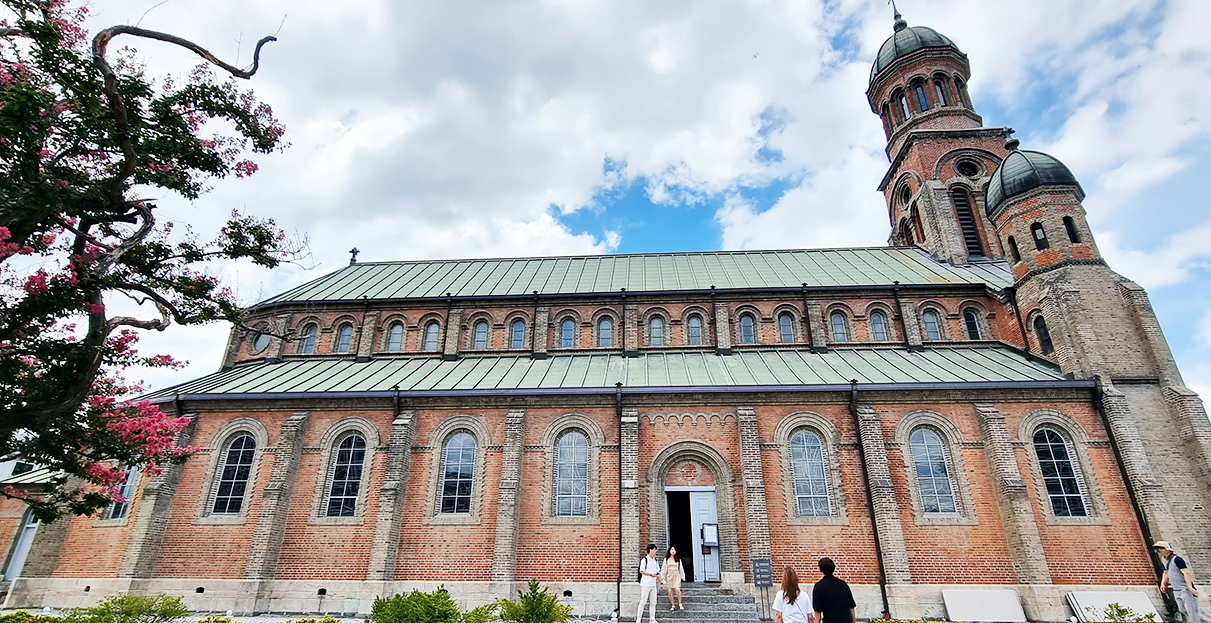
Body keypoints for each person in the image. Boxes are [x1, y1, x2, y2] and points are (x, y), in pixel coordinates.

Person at [1156, 541, 1210, 623]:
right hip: (1176, 590)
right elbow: (1166, 572)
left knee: (1192, 613)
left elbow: (1186, 573)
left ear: (1167, 549)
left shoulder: (1177, 559)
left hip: (1185, 589)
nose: (1159, 550)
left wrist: (1190, 587)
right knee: (1183, 610)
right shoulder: (1164, 560)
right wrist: (1163, 583)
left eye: (1161, 548)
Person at [813, 557, 856, 623]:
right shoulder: (843, 585)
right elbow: (851, 608)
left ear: (820, 570)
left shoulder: (819, 587)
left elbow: (817, 612)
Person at [637, 543, 663, 623]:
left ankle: (652, 619)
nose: (655, 551)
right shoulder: (644, 560)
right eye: (654, 549)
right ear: (650, 550)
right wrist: (650, 574)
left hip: (653, 584)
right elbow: (642, 571)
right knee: (643, 602)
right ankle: (638, 619)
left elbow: (658, 572)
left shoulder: (655, 560)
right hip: (645, 584)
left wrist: (661, 582)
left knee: (653, 602)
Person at [661, 545, 686, 611]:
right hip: (669, 576)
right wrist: (662, 577)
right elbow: (663, 569)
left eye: (674, 550)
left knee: (677, 589)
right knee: (670, 591)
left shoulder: (678, 559)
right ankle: (673, 604)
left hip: (676, 575)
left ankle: (680, 603)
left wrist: (682, 576)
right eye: (672, 549)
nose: (673, 551)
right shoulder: (666, 559)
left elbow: (681, 568)